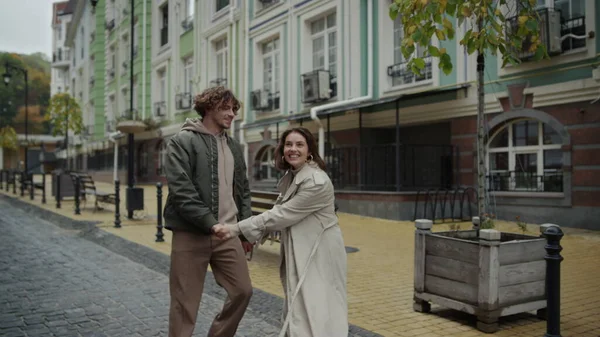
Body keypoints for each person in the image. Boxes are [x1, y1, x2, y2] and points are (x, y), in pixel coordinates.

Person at [214, 127, 348, 337]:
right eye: (288, 144)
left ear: (309, 150)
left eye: (299, 145)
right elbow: (278, 213)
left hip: (319, 252)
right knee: (301, 305)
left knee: (319, 307)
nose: (293, 149)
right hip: (302, 247)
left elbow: (281, 215)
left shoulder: (316, 182)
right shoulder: (294, 175)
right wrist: (252, 236)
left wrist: (235, 229)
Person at [162, 86, 254, 337]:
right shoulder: (183, 142)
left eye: (234, 109)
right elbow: (182, 191)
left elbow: (243, 190)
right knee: (185, 304)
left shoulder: (234, 147)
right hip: (191, 233)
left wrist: (244, 231)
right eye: (226, 107)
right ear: (209, 107)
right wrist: (210, 223)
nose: (232, 114)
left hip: (228, 233)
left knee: (242, 291)